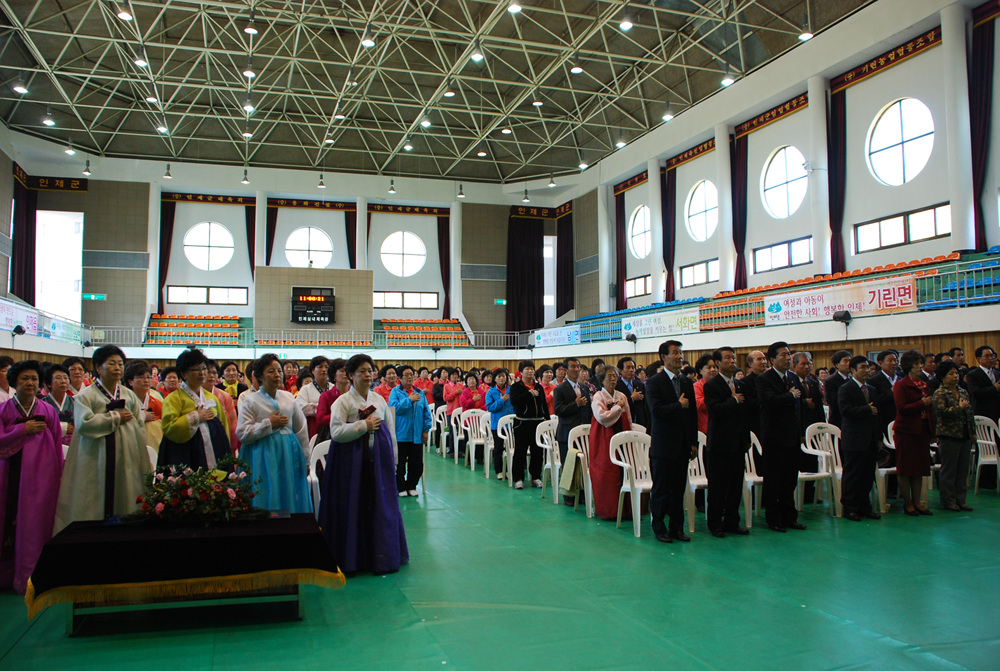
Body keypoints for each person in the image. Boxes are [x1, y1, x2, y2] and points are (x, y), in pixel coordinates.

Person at [319, 353, 408, 574]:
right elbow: (336, 432)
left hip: (378, 462)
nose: (368, 375)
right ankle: (352, 558)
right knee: (354, 507)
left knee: (379, 508)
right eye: (362, 371)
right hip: (351, 463)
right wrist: (362, 426)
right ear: (350, 375)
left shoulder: (378, 400)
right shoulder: (343, 402)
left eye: (370, 370)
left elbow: (391, 432)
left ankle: (380, 556)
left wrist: (393, 461)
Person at [54, 345, 149, 532]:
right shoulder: (86, 396)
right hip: (95, 456)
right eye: (111, 363)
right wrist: (115, 417)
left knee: (126, 492)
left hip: (125, 456)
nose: (117, 368)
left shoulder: (128, 395)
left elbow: (138, 424)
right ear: (98, 368)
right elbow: (83, 424)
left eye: (120, 364)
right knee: (95, 498)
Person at [0, 360, 63, 594]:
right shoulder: (4, 411)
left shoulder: (48, 412)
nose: (30, 383)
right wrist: (21, 430)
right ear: (14, 382)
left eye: (34, 379)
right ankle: (7, 576)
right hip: (9, 479)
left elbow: (57, 444)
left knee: (36, 526)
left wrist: (59, 474)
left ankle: (31, 577)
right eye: (25, 378)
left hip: (41, 479)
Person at [235, 354, 312, 514]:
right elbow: (242, 433)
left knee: (287, 492)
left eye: (279, 371)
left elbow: (301, 429)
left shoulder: (289, 398)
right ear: (260, 376)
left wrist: (305, 459)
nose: (277, 375)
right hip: (261, 457)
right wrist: (269, 423)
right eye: (271, 371)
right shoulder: (251, 401)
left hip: (288, 454)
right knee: (265, 493)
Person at [646, 340, 698, 543]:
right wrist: (678, 405)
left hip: (683, 444)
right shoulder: (654, 382)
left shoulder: (686, 381)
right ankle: (659, 527)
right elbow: (657, 412)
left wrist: (693, 442)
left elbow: (692, 414)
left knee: (678, 489)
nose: (680, 356)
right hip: (664, 444)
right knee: (661, 488)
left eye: (681, 352)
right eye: (675, 353)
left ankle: (677, 527)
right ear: (663, 357)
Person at [703, 347, 751, 537]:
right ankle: (715, 523)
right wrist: (733, 401)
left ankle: (732, 521)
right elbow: (715, 410)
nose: (732, 361)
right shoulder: (712, 385)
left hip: (738, 443)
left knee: (735, 486)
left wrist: (746, 439)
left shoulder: (740, 384)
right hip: (720, 443)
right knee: (718, 487)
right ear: (718, 363)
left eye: (733, 357)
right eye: (728, 358)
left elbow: (745, 414)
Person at [758, 341, 805, 532]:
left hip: (792, 437)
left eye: (789, 355)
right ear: (772, 359)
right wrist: (789, 396)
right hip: (774, 437)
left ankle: (790, 517)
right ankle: (774, 519)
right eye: (783, 355)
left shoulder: (793, 377)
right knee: (774, 480)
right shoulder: (764, 379)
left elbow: (797, 409)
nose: (788, 358)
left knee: (790, 480)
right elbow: (769, 402)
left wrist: (800, 433)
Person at [158, 349, 232, 470]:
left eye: (204, 369)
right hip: (185, 454)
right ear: (183, 373)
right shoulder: (173, 399)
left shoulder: (212, 398)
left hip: (214, 450)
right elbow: (169, 427)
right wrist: (196, 417)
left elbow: (223, 427)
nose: (202, 373)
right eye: (196, 369)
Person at [838, 356, 882, 521]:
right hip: (854, 439)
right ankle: (850, 507)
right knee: (853, 475)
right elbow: (845, 410)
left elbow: (878, 415)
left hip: (870, 438)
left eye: (868, 367)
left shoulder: (872, 389)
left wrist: (878, 437)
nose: (866, 370)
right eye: (862, 367)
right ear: (853, 370)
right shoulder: (845, 388)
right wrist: (865, 409)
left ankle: (865, 506)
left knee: (867, 475)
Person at [588, 364, 633, 520]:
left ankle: (627, 509)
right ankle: (609, 510)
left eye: (614, 376)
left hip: (622, 434)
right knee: (607, 471)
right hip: (604, 436)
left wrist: (630, 434)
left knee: (625, 469)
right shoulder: (599, 397)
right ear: (602, 379)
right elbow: (602, 418)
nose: (613, 379)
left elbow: (628, 417)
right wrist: (616, 409)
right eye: (609, 376)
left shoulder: (622, 396)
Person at [893, 349, 934, 516]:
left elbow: (929, 409)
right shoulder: (901, 385)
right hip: (906, 431)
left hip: (922, 430)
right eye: (917, 364)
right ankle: (908, 503)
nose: (920, 367)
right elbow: (901, 408)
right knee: (906, 468)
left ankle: (917, 502)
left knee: (920, 468)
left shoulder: (924, 384)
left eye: (920, 363)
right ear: (909, 366)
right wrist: (921, 403)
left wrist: (932, 430)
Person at [932, 360, 975, 512]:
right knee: (949, 470)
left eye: (956, 373)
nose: (955, 376)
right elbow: (941, 414)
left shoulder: (963, 391)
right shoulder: (940, 393)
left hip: (965, 434)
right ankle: (948, 501)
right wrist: (958, 408)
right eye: (951, 374)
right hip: (949, 435)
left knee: (963, 470)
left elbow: (970, 414)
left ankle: (961, 500)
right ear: (943, 377)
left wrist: (973, 433)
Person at [553, 357, 593, 505]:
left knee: (583, 465)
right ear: (565, 370)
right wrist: (575, 404)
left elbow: (588, 411)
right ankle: (569, 496)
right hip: (567, 433)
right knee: (568, 465)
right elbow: (558, 410)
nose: (577, 370)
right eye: (573, 367)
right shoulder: (560, 389)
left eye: (578, 367)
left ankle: (581, 493)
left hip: (582, 434)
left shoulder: (583, 388)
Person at [389, 365, 432, 497]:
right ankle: (401, 487)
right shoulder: (395, 392)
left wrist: (426, 430)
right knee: (400, 463)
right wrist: (409, 400)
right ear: (399, 378)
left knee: (417, 463)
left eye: (411, 374)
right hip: (401, 435)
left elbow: (426, 412)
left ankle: (412, 486)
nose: (409, 377)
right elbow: (394, 408)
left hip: (417, 435)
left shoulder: (419, 392)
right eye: (406, 375)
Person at [508, 360, 548, 489]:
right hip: (522, 423)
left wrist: (547, 419)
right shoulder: (516, 387)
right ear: (521, 372)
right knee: (520, 451)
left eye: (532, 369)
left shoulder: (538, 386)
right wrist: (529, 394)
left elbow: (544, 405)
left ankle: (536, 477)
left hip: (538, 423)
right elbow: (514, 401)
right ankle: (518, 478)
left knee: (537, 452)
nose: (530, 371)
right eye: (527, 369)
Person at [123, 360, 163, 452]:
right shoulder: (124, 401)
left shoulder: (156, 401)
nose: (146, 381)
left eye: (148, 377)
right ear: (130, 381)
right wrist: (142, 416)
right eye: (141, 377)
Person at [485, 368, 515, 479]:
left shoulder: (512, 390)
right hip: (497, 425)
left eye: (504, 376)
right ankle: (500, 471)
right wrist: (501, 401)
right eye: (499, 376)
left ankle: (511, 469)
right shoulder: (491, 392)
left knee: (512, 447)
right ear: (495, 379)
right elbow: (490, 407)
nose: (502, 378)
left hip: (511, 424)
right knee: (498, 448)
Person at [204, 360, 238, 455]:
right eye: (208, 373)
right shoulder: (196, 395)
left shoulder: (225, 396)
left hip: (222, 441)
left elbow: (232, 423)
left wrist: (232, 445)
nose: (211, 376)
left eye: (214, 373)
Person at [296, 356, 333, 438]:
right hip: (313, 427)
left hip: (332, 425)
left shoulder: (333, 388)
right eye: (320, 367)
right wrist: (322, 410)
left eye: (326, 367)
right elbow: (300, 406)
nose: (324, 370)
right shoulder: (306, 389)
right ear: (312, 370)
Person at [315, 358, 349, 445]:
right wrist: (341, 416)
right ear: (334, 375)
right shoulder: (326, 396)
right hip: (331, 436)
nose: (346, 374)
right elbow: (320, 419)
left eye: (347, 370)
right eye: (342, 371)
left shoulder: (355, 395)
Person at [41, 364, 75, 448]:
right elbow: (41, 427)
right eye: (58, 378)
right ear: (49, 384)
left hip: (72, 446)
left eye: (65, 378)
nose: (63, 381)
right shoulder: (42, 404)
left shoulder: (76, 402)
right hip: (48, 446)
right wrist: (64, 427)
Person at [965, 346, 1000, 424]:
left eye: (992, 355)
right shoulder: (973, 374)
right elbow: (975, 392)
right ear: (978, 359)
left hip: (998, 412)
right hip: (983, 413)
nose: (991, 358)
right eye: (987, 356)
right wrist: (994, 388)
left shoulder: (997, 373)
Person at [616, 357, 648, 428]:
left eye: (633, 368)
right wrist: (632, 398)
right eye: (628, 368)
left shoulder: (640, 384)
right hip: (624, 423)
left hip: (640, 423)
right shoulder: (616, 386)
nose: (631, 370)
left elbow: (645, 405)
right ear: (620, 370)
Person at [825, 350, 853, 429]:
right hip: (838, 419)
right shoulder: (830, 381)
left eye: (850, 361)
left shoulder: (852, 379)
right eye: (845, 361)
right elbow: (831, 400)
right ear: (837, 365)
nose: (849, 364)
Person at [692, 353, 717, 436]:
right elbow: (699, 405)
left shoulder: (720, 385)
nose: (713, 369)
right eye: (709, 367)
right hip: (704, 430)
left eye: (715, 367)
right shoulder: (697, 386)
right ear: (700, 371)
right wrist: (716, 396)